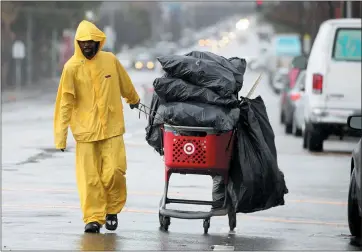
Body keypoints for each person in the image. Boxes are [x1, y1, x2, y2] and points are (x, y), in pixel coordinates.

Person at [53, 20, 140, 233]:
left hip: (112, 128)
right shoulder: (71, 68)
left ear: (98, 42)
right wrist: (60, 136)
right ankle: (93, 218)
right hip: (85, 132)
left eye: (91, 42)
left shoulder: (110, 60)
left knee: (115, 172)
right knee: (89, 178)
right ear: (78, 44)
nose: (88, 46)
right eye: (83, 43)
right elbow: (65, 103)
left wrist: (133, 99)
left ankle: (112, 210)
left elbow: (124, 82)